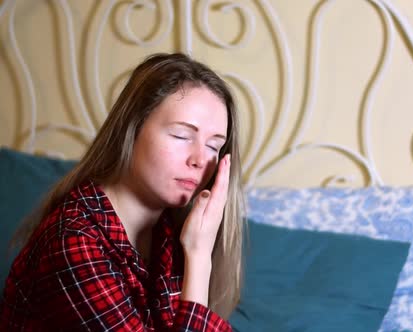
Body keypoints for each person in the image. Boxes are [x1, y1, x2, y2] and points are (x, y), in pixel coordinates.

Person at [0, 53, 244, 331]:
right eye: (181, 135)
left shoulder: (170, 232)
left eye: (214, 146)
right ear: (132, 129)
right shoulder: (73, 241)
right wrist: (199, 257)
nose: (200, 159)